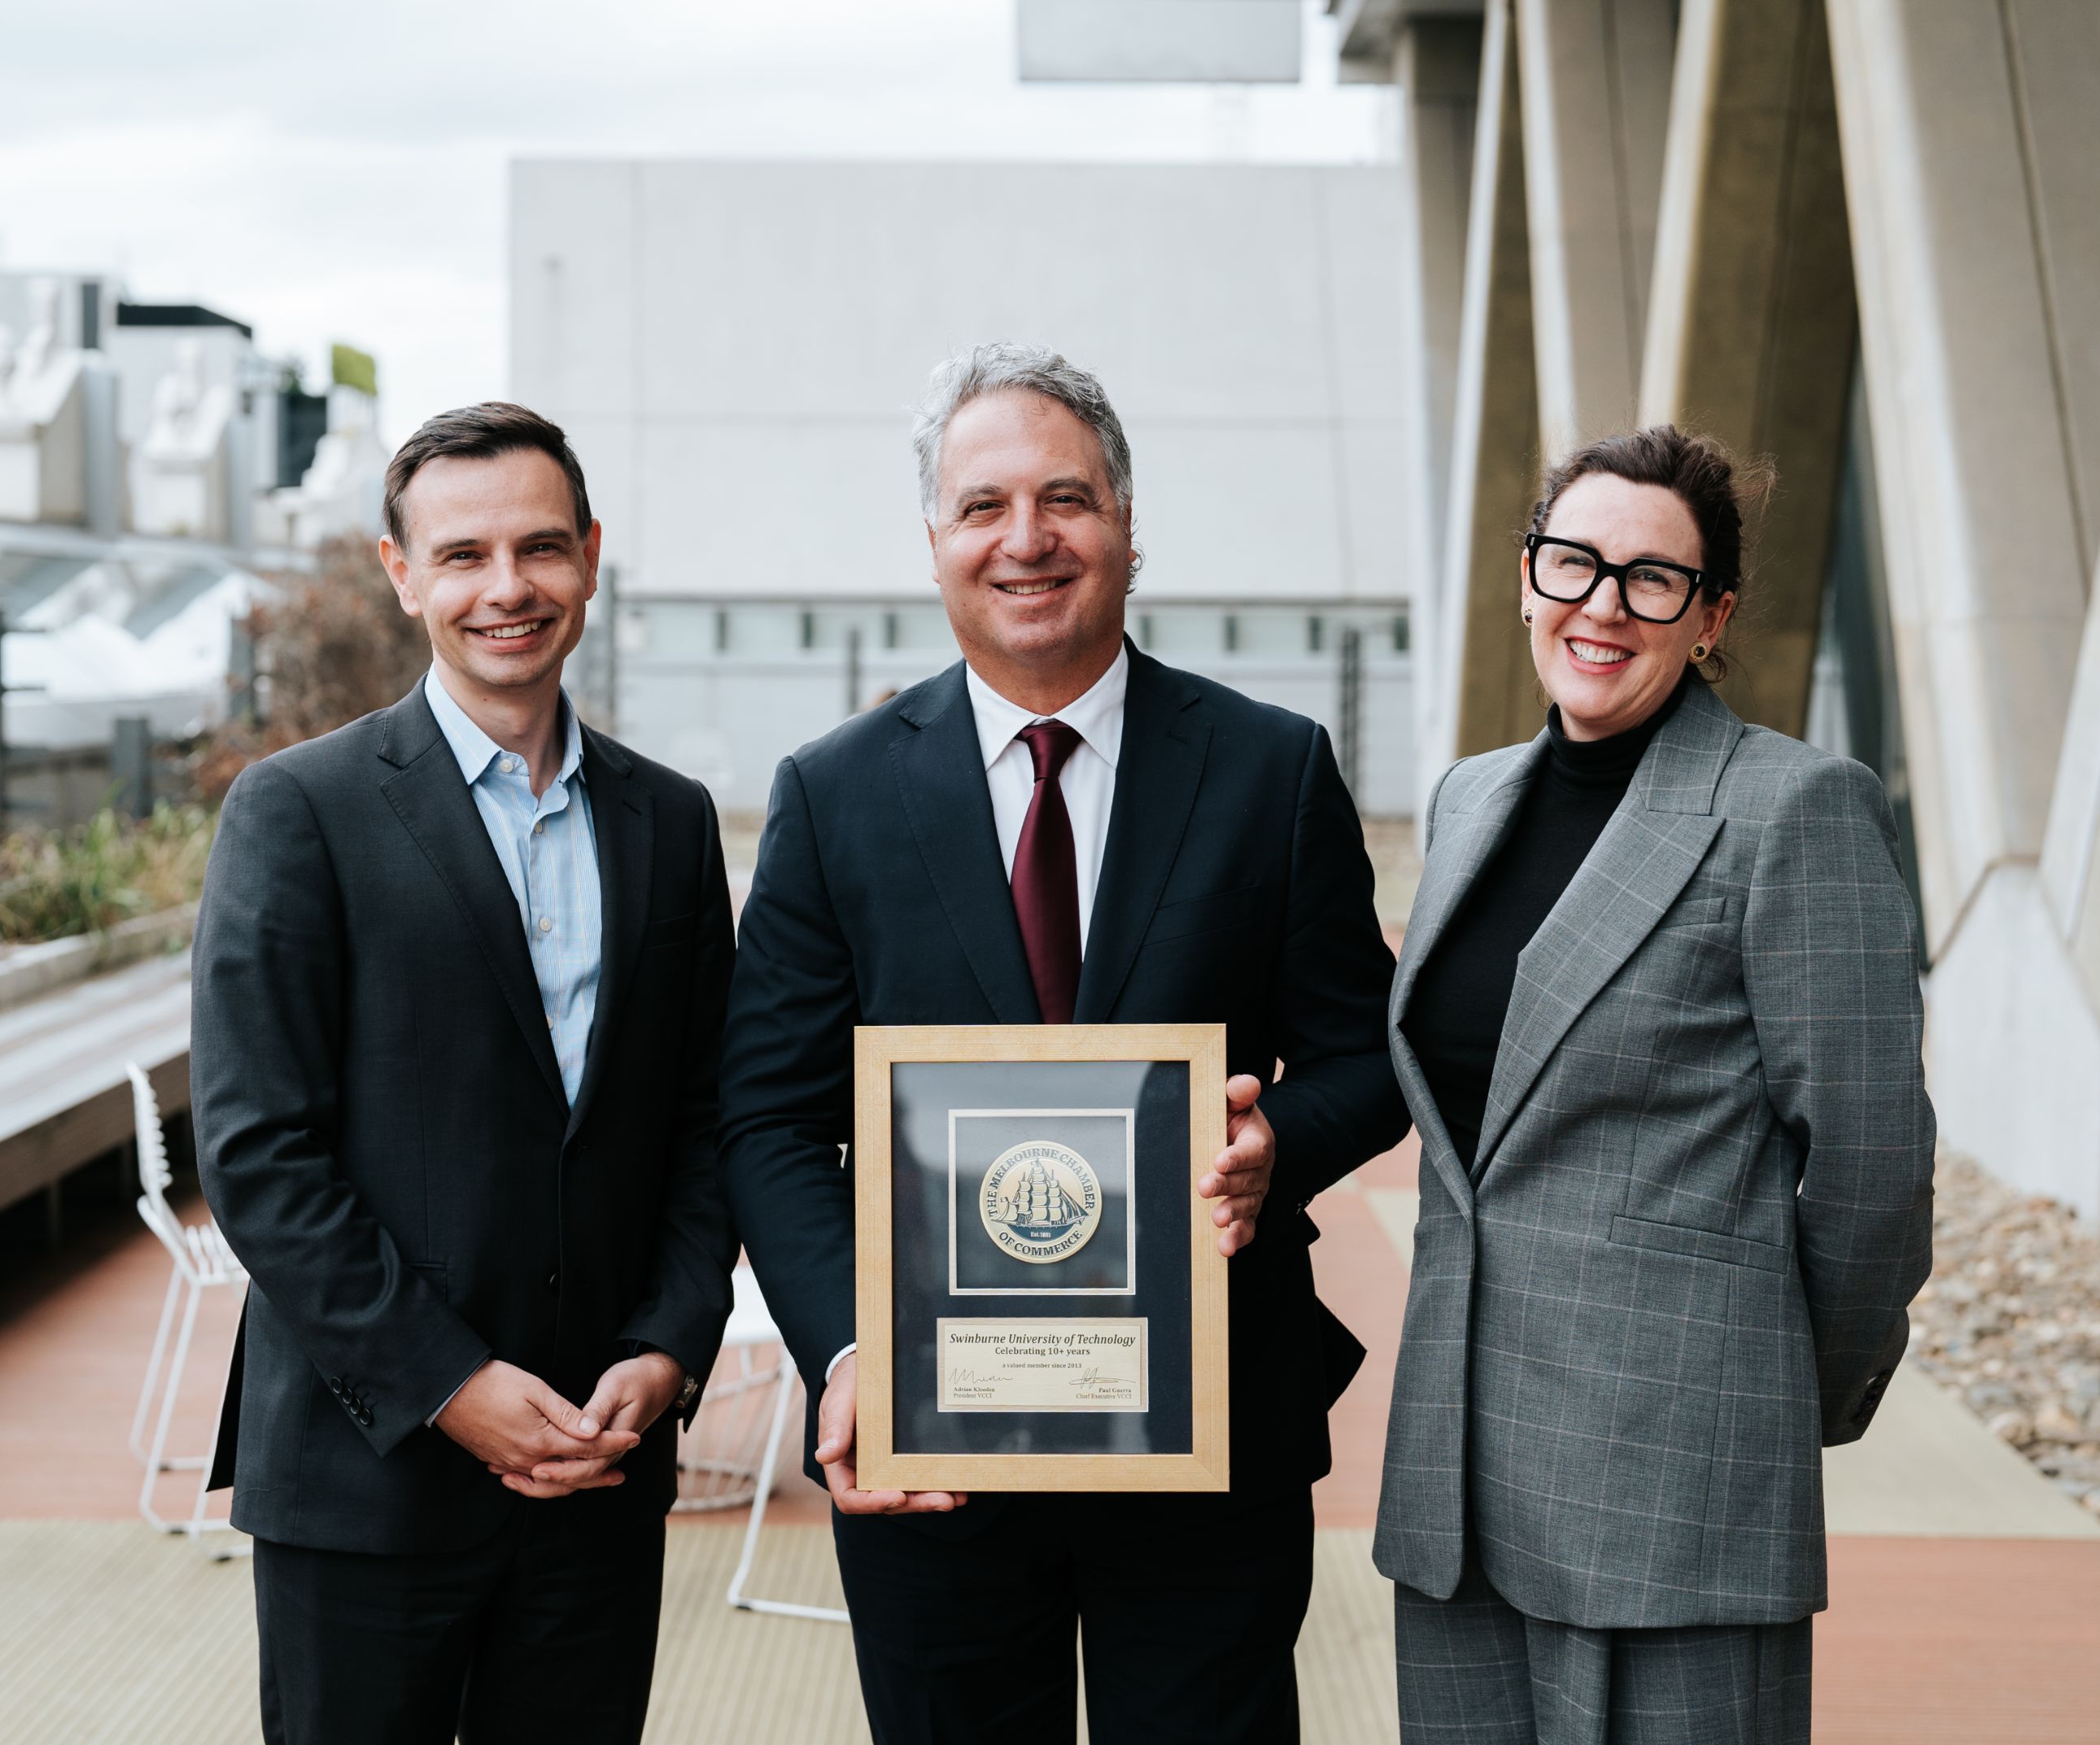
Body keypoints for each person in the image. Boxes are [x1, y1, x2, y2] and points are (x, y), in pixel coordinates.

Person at [720, 342, 1411, 1743]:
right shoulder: (833, 796)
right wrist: (855, 1354)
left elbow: (1369, 1059)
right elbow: (771, 1123)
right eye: (983, 507)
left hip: (1209, 1433)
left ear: (1129, 527)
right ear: (934, 544)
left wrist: (1281, 1146)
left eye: (1066, 499)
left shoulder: (1271, 771)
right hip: (935, 1441)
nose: (1026, 540)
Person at [1374, 427, 1935, 1743]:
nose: (1603, 606)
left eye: (1653, 579)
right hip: (1455, 1483)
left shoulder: (1793, 809)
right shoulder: (1469, 801)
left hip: (1675, 1490)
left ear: (1713, 616)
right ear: (1526, 576)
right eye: (1573, 563)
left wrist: (1765, 1397)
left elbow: (1870, 1173)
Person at [192, 402, 735, 1744]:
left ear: (593, 557)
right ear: (402, 574)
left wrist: (668, 1346)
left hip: (600, 1466)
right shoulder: (297, 810)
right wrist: (452, 1387)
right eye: (464, 555)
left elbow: (706, 1119)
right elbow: (260, 1155)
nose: (508, 589)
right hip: (368, 1473)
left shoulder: (669, 822)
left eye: (542, 549)